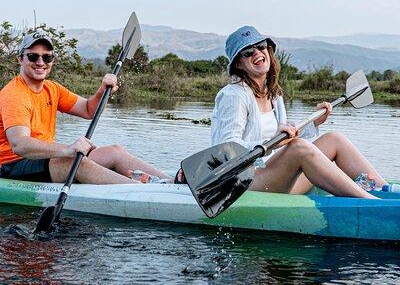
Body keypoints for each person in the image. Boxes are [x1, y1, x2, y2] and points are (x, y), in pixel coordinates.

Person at [211, 25, 387, 198]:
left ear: (268, 50)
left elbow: (286, 140)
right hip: (244, 185)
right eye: (247, 52)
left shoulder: (274, 94)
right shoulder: (233, 95)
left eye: (260, 46)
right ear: (239, 64)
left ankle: (385, 190)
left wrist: (315, 123)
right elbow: (226, 150)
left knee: (333, 139)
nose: (256, 52)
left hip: (276, 177)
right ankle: (373, 203)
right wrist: (272, 142)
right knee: (298, 148)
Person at [0, 32, 171, 184]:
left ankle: (172, 184)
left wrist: (103, 91)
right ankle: (146, 193)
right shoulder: (14, 94)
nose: (40, 62)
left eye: (47, 57)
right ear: (20, 58)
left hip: (45, 159)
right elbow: (20, 145)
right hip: (12, 165)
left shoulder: (52, 88)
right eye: (32, 57)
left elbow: (89, 110)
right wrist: (68, 149)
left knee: (115, 152)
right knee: (76, 162)